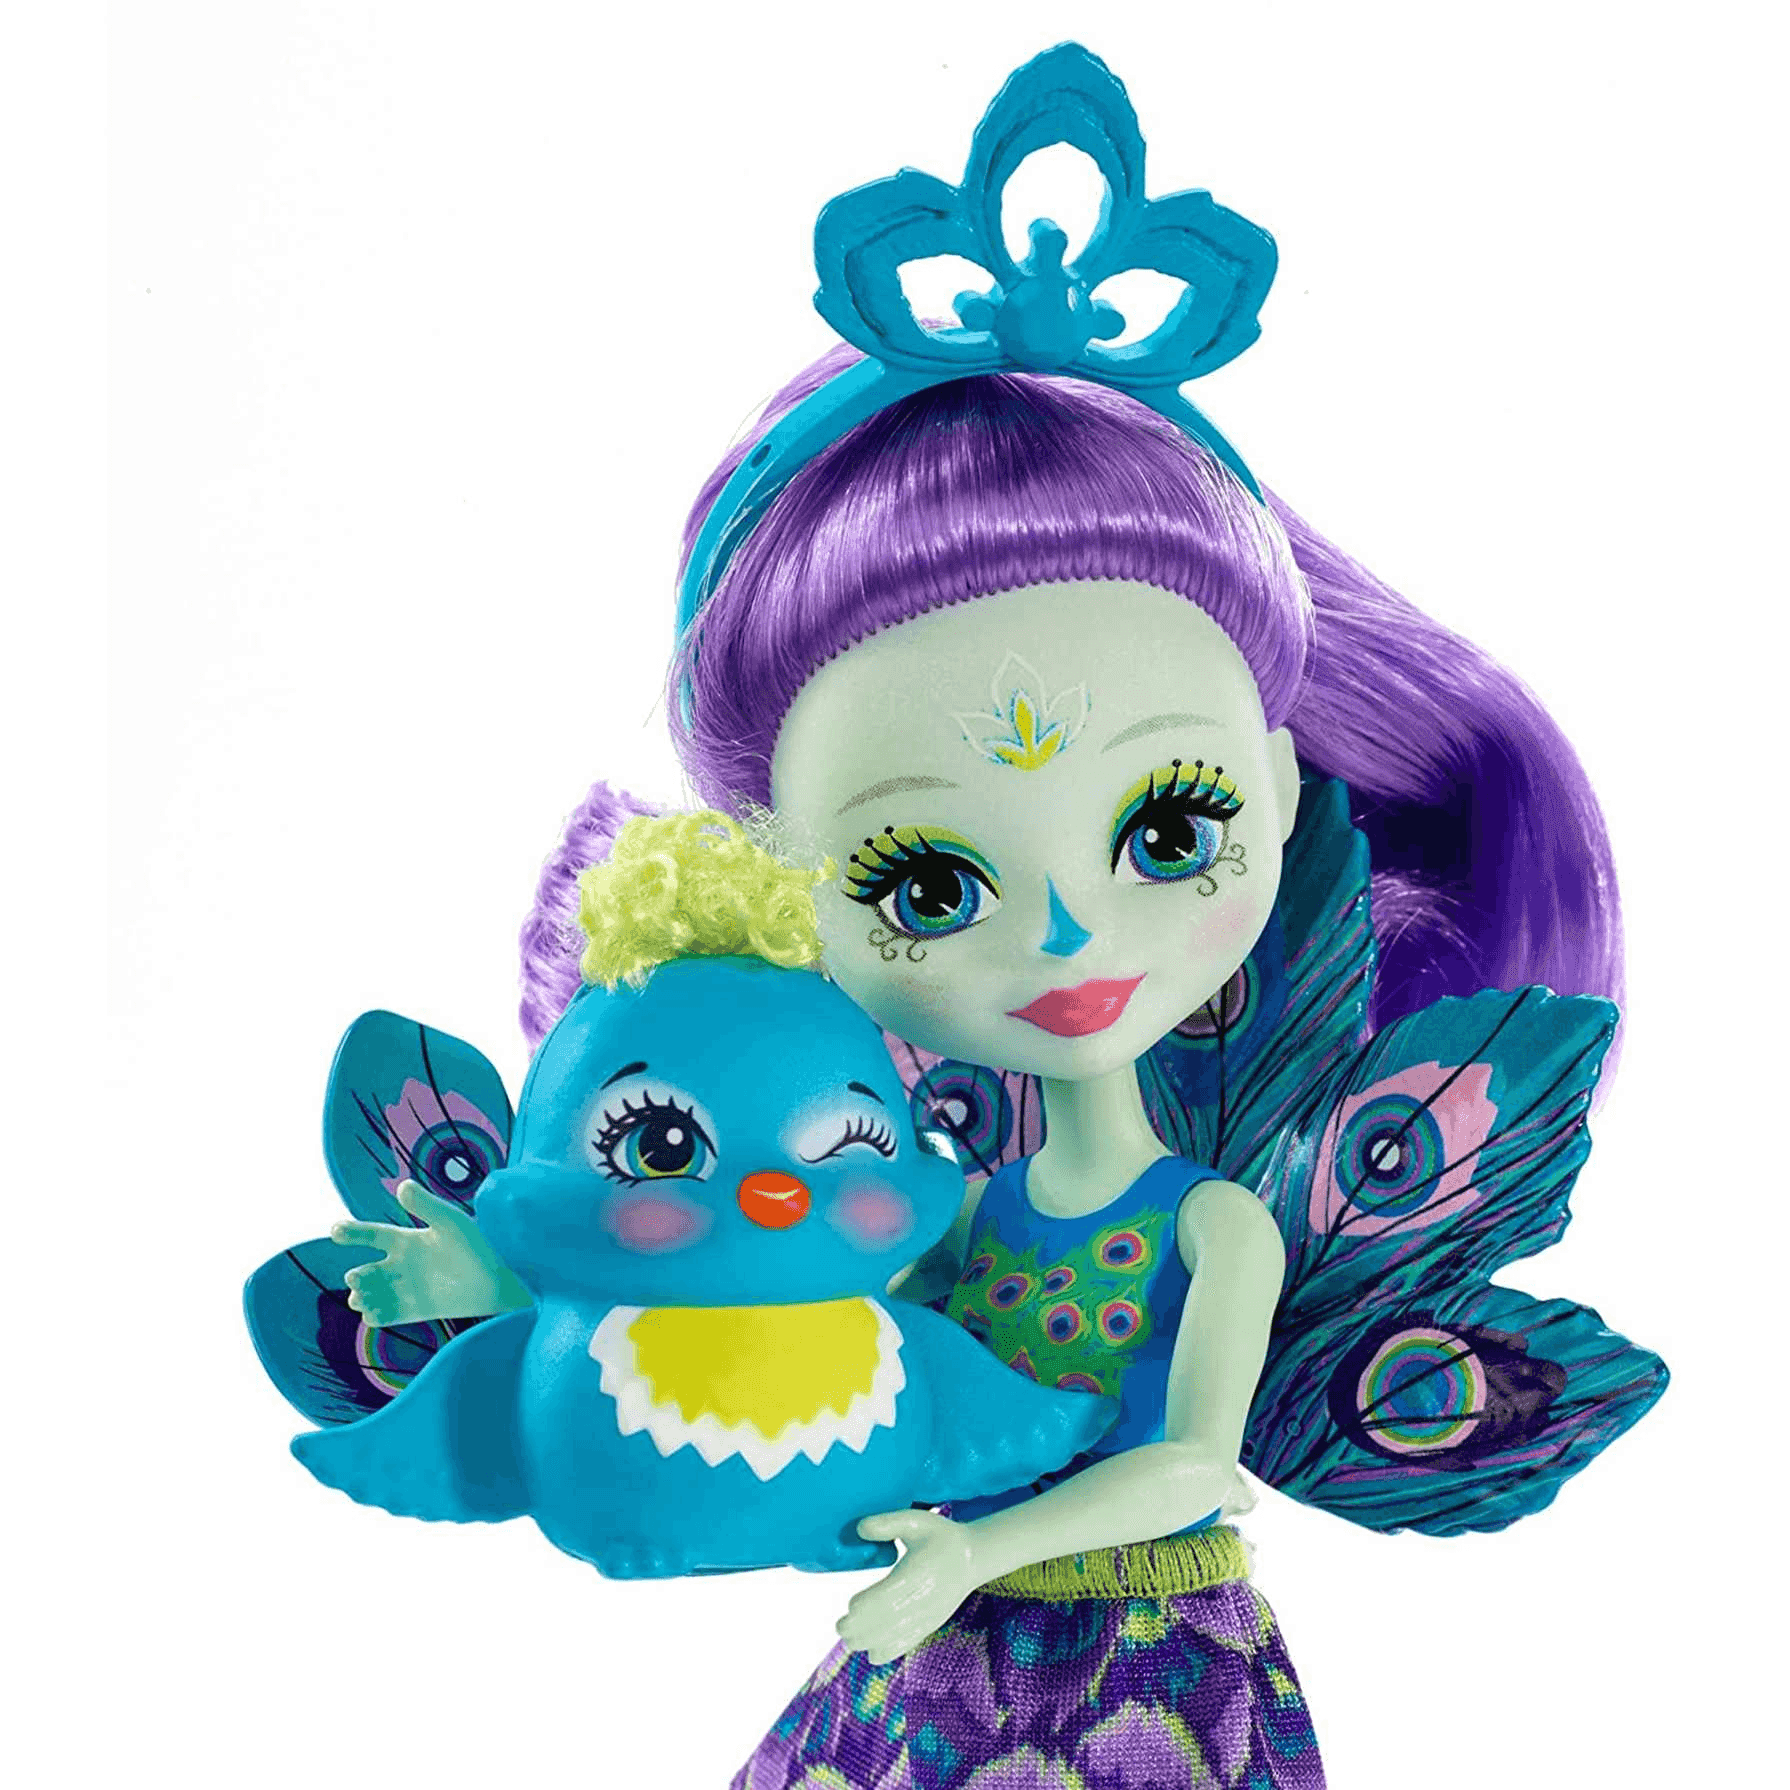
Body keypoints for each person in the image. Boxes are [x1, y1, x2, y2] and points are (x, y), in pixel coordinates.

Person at [352, 45, 1663, 1788]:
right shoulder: (939, 1205)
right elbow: (791, 1333)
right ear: (793, 890)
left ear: (1277, 798)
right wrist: (510, 1284)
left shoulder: (1214, 1226)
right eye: (925, 884)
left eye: (1168, 827)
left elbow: (1191, 1465)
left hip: (1148, 1663)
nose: (1060, 934)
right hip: (936, 1648)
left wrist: (972, 1547)